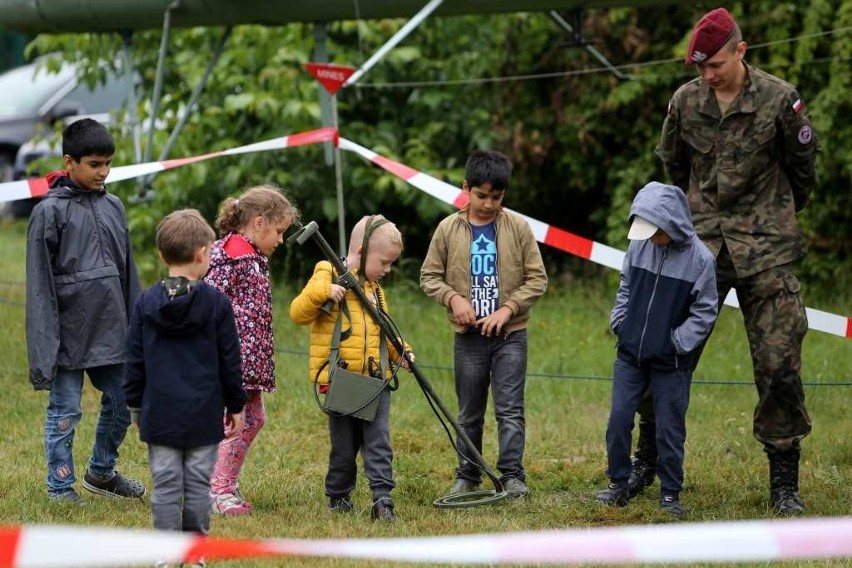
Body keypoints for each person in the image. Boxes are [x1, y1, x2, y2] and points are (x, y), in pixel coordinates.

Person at [651, 7, 817, 514]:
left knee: (779, 362)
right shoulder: (686, 100)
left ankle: (784, 483)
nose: (707, 74)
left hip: (766, 250)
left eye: (716, 64)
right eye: (700, 66)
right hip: (700, 249)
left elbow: (803, 170)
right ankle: (644, 464)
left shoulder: (779, 99)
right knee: (663, 351)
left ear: (740, 51)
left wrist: (773, 219)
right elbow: (673, 167)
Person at [26, 118, 146, 503]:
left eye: (108, 163)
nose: (104, 172)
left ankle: (102, 472)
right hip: (67, 333)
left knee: (122, 402)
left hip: (111, 328)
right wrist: (45, 345)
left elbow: (128, 273)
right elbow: (40, 286)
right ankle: (60, 486)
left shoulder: (114, 206)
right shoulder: (48, 213)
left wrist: (140, 326)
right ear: (69, 162)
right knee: (65, 412)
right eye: (95, 164)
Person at [420, 150, 548, 498]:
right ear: (466, 188)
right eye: (481, 195)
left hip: (511, 336)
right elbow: (429, 276)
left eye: (497, 197)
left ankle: (512, 476)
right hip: (469, 339)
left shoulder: (518, 228)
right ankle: (468, 474)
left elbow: (537, 279)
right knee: (469, 413)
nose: (489, 204)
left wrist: (507, 310)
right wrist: (453, 299)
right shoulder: (448, 229)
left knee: (510, 410)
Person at [124, 209, 246, 554]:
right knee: (196, 485)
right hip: (203, 413)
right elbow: (229, 360)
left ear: (162, 256)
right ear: (202, 254)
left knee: (164, 486)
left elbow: (134, 360)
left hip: (159, 412)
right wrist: (235, 404)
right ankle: (193, 554)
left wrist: (135, 405)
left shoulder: (145, 303)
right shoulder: (217, 304)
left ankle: (166, 554)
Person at [594, 182, 718, 518]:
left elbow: (705, 310)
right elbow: (626, 286)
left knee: (669, 429)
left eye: (656, 232)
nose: (651, 238)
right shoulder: (639, 246)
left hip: (671, 364)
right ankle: (618, 483)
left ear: (673, 224)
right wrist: (621, 323)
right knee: (618, 419)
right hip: (630, 356)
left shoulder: (701, 260)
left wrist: (677, 343)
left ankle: (670, 494)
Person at [289, 215, 412, 522]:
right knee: (344, 447)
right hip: (341, 380)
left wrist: (402, 354)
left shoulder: (374, 290)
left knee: (378, 442)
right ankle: (339, 495)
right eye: (383, 262)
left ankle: (382, 499)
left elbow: (385, 330)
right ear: (360, 250)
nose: (387, 269)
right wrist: (324, 292)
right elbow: (297, 313)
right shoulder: (327, 271)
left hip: (375, 380)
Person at [204, 185, 299, 515]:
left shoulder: (251, 257)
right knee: (235, 422)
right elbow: (209, 305)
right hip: (232, 362)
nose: (281, 239)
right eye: (279, 231)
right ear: (259, 223)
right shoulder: (228, 257)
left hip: (249, 363)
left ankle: (223, 480)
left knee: (253, 419)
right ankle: (217, 491)